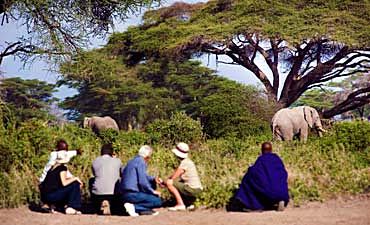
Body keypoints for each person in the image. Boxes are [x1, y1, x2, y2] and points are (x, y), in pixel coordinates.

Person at [231, 141, 289, 212]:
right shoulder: (277, 159)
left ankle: (254, 205)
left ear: (262, 150)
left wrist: (249, 171)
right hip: (281, 192)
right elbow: (284, 173)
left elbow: (254, 173)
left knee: (248, 180)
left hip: (267, 190)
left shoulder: (261, 160)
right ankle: (279, 199)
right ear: (271, 149)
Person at [119, 145, 162, 216]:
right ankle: (134, 207)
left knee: (152, 195)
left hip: (124, 193)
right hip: (132, 193)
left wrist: (153, 179)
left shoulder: (132, 161)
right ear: (147, 156)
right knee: (158, 201)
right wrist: (153, 191)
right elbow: (143, 182)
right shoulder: (141, 162)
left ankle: (142, 209)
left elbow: (140, 176)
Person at [39, 150, 83, 215]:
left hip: (45, 196)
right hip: (51, 196)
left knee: (69, 185)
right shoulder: (62, 168)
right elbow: (64, 183)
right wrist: (75, 178)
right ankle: (72, 207)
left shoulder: (52, 168)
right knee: (75, 183)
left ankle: (55, 206)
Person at [165, 142, 203, 211]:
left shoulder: (184, 163)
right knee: (176, 182)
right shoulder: (188, 161)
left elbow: (173, 177)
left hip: (193, 189)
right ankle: (188, 203)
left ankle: (180, 204)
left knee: (169, 183)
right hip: (197, 188)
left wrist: (165, 182)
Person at [91, 143, 122, 215]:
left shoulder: (95, 161)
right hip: (113, 193)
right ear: (112, 152)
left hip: (98, 194)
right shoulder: (117, 161)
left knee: (91, 180)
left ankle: (98, 204)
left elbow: (95, 174)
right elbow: (121, 174)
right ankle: (109, 203)